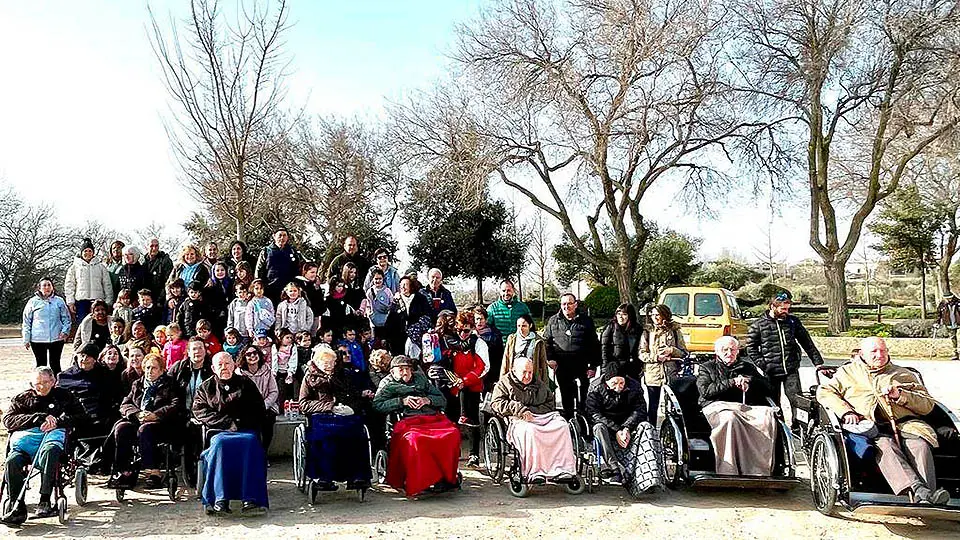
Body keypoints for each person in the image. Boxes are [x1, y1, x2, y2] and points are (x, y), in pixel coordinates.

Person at [817, 336, 950, 504]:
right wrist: (846, 411)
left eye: (882, 350)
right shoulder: (847, 373)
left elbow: (927, 405)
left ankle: (928, 497)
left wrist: (900, 395)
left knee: (920, 445)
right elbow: (825, 392)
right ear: (862, 354)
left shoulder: (903, 374)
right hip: (871, 427)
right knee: (886, 447)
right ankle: (919, 492)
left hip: (906, 425)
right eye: (874, 351)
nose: (879, 355)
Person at [1, 367, 84, 525]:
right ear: (31, 384)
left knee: (50, 450)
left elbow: (81, 416)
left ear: (53, 382)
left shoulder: (64, 396)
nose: (42, 386)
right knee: (12, 460)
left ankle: (45, 499)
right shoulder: (21, 399)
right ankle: (16, 506)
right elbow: (8, 420)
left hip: (52, 440)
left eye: (46, 382)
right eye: (38, 383)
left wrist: (58, 422)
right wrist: (36, 419)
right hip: (26, 442)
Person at [373, 355, 461, 497]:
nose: (405, 373)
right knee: (416, 440)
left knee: (452, 433)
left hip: (431, 418)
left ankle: (445, 476)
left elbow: (442, 400)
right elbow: (377, 405)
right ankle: (424, 479)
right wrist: (402, 401)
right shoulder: (387, 383)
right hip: (407, 421)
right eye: (400, 370)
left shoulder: (421, 379)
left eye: (407, 369)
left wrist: (427, 400)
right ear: (392, 372)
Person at [193, 352, 268, 515]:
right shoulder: (206, 387)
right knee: (220, 444)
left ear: (234, 365)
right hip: (219, 431)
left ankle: (250, 498)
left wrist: (239, 423)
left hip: (245, 429)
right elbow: (199, 411)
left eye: (227, 363)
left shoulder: (246, 384)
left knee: (250, 442)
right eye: (219, 365)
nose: (224, 367)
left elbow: (258, 408)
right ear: (213, 368)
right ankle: (220, 499)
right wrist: (226, 422)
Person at [697, 336, 777, 476]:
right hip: (716, 406)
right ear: (717, 352)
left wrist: (750, 381)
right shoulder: (707, 368)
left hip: (743, 406)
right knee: (730, 418)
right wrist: (731, 382)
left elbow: (769, 388)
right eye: (725, 350)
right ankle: (729, 469)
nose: (729, 353)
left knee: (766, 417)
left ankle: (757, 469)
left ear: (738, 351)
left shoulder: (747, 367)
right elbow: (706, 392)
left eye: (733, 349)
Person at [490, 356, 578, 482]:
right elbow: (496, 403)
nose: (528, 376)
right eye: (524, 372)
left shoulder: (538, 383)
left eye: (530, 372)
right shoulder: (504, 383)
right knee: (531, 431)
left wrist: (533, 411)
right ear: (514, 371)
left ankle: (563, 469)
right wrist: (519, 409)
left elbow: (550, 403)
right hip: (518, 419)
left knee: (562, 426)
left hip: (542, 416)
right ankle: (534, 471)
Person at [746, 291, 824, 429]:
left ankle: (797, 428)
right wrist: (763, 365)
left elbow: (807, 342)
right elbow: (751, 348)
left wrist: (818, 363)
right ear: (772, 307)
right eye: (782, 309)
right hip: (770, 371)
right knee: (773, 402)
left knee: (797, 400)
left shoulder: (793, 322)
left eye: (788, 309)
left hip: (791, 369)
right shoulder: (758, 325)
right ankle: (777, 428)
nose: (785, 312)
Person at [299, 346, 373, 490]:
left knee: (356, 434)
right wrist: (329, 407)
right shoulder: (309, 378)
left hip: (346, 414)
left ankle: (356, 476)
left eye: (331, 362)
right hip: (322, 416)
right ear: (316, 362)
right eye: (323, 362)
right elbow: (304, 404)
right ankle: (325, 478)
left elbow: (357, 395)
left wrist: (352, 408)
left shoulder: (346, 375)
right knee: (327, 437)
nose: (327, 365)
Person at [106, 354, 182, 489]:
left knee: (145, 429)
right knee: (121, 428)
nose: (149, 371)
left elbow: (176, 404)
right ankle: (123, 470)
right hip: (139, 419)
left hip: (161, 424)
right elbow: (125, 404)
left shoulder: (170, 384)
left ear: (162, 370)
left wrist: (156, 415)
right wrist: (137, 414)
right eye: (147, 368)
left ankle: (153, 471)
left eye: (154, 368)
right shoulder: (138, 383)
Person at [586, 364, 663, 495]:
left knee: (647, 427)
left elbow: (640, 410)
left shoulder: (634, 386)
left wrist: (626, 428)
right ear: (606, 381)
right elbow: (594, 414)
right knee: (598, 427)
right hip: (607, 427)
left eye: (622, 383)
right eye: (614, 383)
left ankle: (650, 476)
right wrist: (617, 430)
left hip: (628, 426)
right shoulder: (595, 387)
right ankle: (615, 468)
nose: (618, 387)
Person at [57, 342, 115, 472]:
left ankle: (101, 460)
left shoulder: (104, 374)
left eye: (88, 356)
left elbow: (110, 396)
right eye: (81, 355)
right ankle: (81, 458)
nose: (84, 359)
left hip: (99, 413)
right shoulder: (64, 376)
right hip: (75, 414)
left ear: (95, 359)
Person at [543, 294, 600, 418]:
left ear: (575, 304)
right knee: (566, 395)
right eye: (563, 304)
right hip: (562, 366)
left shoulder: (586, 321)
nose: (566, 306)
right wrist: (550, 358)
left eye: (569, 303)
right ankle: (569, 422)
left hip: (582, 366)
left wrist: (593, 366)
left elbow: (594, 344)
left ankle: (583, 424)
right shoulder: (553, 320)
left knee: (583, 398)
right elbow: (547, 342)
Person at [443, 312, 488, 466]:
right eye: (460, 330)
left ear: (472, 329)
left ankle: (474, 454)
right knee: (452, 419)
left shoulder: (479, 343)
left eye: (466, 330)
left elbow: (483, 367)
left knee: (472, 420)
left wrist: (466, 380)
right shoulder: (452, 342)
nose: (462, 334)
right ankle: (453, 451)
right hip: (454, 386)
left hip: (472, 386)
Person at [167, 337, 212, 485]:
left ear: (205, 351)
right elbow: (168, 388)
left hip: (207, 414)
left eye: (200, 348)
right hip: (183, 413)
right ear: (188, 351)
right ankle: (190, 471)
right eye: (194, 349)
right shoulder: (179, 368)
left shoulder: (212, 367)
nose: (197, 351)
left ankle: (205, 469)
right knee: (186, 432)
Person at [640, 304, 688, 424]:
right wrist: (656, 357)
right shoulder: (647, 331)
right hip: (653, 374)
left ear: (664, 315)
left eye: (658, 315)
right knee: (653, 405)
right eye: (653, 315)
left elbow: (684, 352)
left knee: (672, 406)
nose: (655, 318)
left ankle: (671, 430)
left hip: (670, 373)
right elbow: (641, 354)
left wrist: (671, 350)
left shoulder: (675, 331)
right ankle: (652, 430)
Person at [22, 278, 71, 375]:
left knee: (55, 364)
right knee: (41, 365)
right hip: (38, 339)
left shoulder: (59, 301)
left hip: (56, 338)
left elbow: (66, 318)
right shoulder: (32, 302)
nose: (47, 287)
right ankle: (40, 385)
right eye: (44, 285)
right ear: (39, 288)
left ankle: (57, 385)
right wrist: (26, 338)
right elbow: (26, 321)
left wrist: (65, 331)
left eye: (49, 285)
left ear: (53, 287)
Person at [237, 346, 279, 454]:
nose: (252, 356)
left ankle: (263, 452)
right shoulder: (239, 374)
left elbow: (274, 392)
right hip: (247, 408)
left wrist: (264, 405)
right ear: (244, 357)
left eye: (255, 353)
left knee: (268, 422)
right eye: (248, 354)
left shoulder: (267, 370)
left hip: (266, 406)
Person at [64, 237, 113, 324]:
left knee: (98, 324)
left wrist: (108, 302)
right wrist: (70, 302)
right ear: (81, 252)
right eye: (85, 251)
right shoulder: (74, 267)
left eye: (90, 251)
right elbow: (69, 285)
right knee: (83, 324)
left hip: (98, 301)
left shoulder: (101, 267)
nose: (88, 253)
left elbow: (107, 285)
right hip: (81, 302)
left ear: (93, 252)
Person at [255, 227, 304, 305]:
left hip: (288, 290)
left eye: (284, 235)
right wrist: (259, 285)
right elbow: (259, 269)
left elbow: (298, 270)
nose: (282, 238)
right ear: (274, 236)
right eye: (280, 235)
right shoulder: (266, 251)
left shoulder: (292, 251)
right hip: (270, 289)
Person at [393, 275, 433, 358]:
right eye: (401, 285)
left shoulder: (421, 299)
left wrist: (417, 328)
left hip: (416, 334)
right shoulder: (396, 300)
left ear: (411, 286)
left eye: (405, 285)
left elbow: (427, 315)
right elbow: (391, 318)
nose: (402, 287)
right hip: (399, 335)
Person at [501, 314, 549, 381]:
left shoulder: (538, 341)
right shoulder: (512, 339)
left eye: (524, 326)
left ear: (530, 326)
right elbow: (506, 359)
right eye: (518, 326)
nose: (521, 329)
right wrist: (502, 378)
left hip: (531, 375)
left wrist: (544, 382)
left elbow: (543, 363)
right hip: (515, 374)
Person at [601, 303, 642, 381]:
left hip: (632, 367)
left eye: (624, 314)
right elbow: (604, 350)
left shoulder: (637, 329)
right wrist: (605, 369)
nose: (620, 317)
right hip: (615, 366)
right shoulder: (611, 327)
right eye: (618, 314)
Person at [487, 279, 531, 343]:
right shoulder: (492, 308)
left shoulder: (523, 307)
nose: (506, 293)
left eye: (509, 290)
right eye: (503, 291)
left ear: (513, 290)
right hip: (499, 345)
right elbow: (486, 326)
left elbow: (530, 326)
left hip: (519, 343)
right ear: (500, 291)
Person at [474, 307, 504, 391]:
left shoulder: (495, 334)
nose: (479, 322)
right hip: (474, 371)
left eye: (481, 319)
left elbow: (499, 355)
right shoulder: (468, 333)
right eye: (477, 319)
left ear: (486, 320)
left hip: (491, 370)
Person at [203, 262, 233, 337]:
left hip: (229, 315)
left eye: (222, 270)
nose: (220, 272)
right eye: (217, 270)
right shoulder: (209, 286)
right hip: (215, 317)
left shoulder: (231, 283)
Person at [296, 261, 326, 334]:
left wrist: (317, 288)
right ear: (305, 272)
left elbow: (319, 300)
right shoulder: (298, 284)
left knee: (313, 334)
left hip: (315, 314)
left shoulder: (315, 284)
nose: (314, 275)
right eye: (312, 272)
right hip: (302, 316)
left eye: (316, 272)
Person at [364, 268, 394, 340]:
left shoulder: (387, 291)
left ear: (383, 279)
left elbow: (392, 304)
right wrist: (369, 314)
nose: (378, 281)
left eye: (380, 279)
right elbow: (368, 305)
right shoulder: (370, 292)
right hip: (374, 322)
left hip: (386, 322)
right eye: (376, 279)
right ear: (373, 279)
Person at [144, 238, 174, 305]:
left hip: (161, 300)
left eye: (156, 246)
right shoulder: (144, 263)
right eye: (151, 246)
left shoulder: (165, 261)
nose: (154, 248)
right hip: (147, 300)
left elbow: (169, 281)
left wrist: (160, 299)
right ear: (146, 247)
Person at [937, 292, 960, 360]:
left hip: (958, 323)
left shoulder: (958, 303)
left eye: (949, 298)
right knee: (953, 339)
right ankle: (955, 353)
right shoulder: (942, 304)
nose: (947, 299)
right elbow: (939, 314)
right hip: (949, 324)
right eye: (946, 298)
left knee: (958, 338)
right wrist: (937, 322)